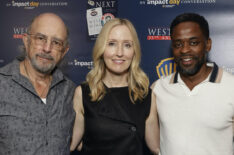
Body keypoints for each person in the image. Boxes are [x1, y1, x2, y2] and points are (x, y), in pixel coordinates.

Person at [70, 18, 159, 155]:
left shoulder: (146, 95)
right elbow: (69, 144)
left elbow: (157, 148)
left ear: (134, 51)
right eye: (111, 44)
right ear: (102, 49)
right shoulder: (84, 93)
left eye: (127, 45)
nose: (119, 52)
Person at [152, 12, 234, 155]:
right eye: (178, 44)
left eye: (193, 42)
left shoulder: (231, 86)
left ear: (208, 44)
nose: (184, 50)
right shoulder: (158, 88)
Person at [0, 13, 76, 155]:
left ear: (64, 51)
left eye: (56, 42)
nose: (47, 48)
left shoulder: (70, 92)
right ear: (26, 40)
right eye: (41, 38)